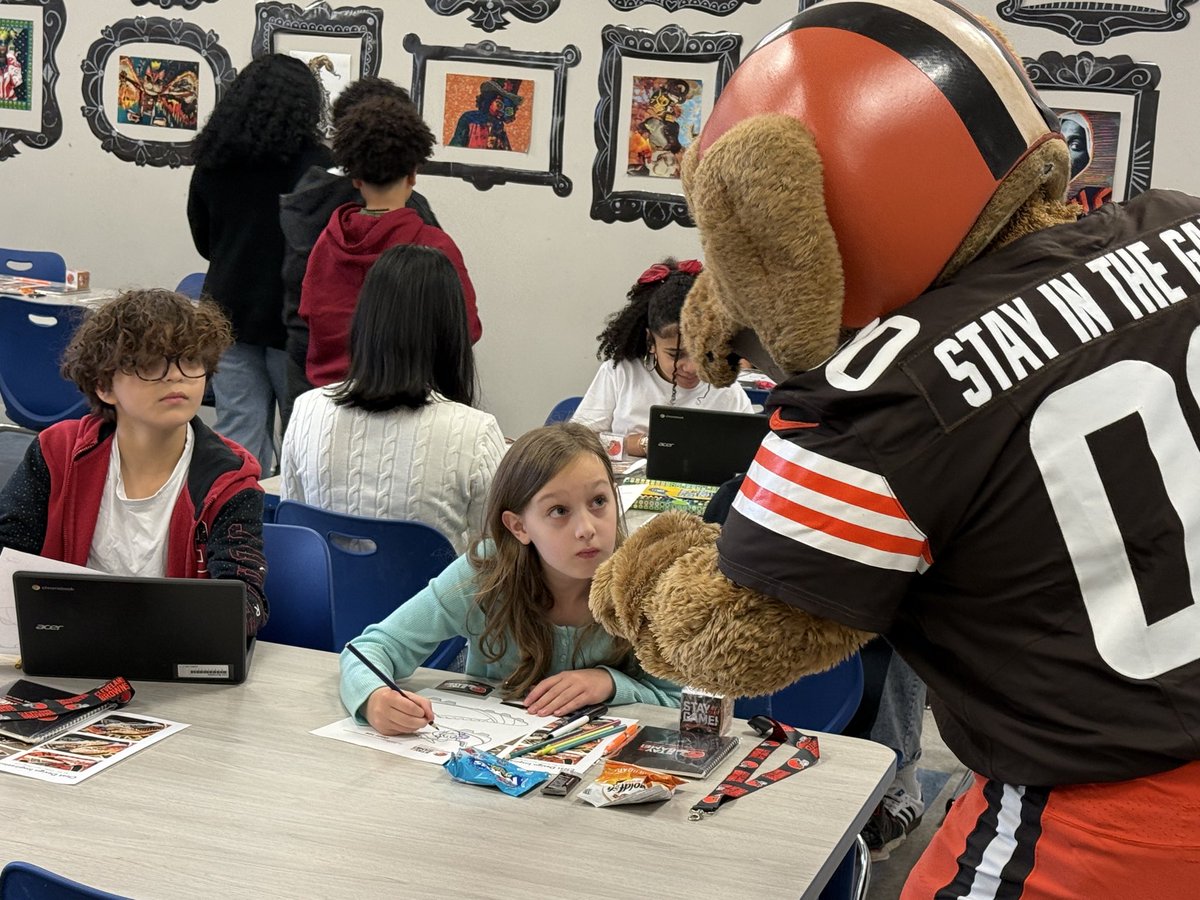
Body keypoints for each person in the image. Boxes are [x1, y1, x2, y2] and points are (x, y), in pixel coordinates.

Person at [339, 422, 681, 734]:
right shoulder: (484, 574)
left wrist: (610, 683)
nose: (587, 529)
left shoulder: (644, 584)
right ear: (518, 526)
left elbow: (685, 702)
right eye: (559, 511)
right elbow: (371, 649)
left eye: (598, 501)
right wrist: (373, 697)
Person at [0, 289, 267, 635]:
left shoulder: (230, 481)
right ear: (104, 386)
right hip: (66, 652)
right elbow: (8, 553)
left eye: (190, 360)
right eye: (150, 365)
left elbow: (246, 599)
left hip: (175, 658)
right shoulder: (58, 452)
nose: (176, 376)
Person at [281, 244, 504, 554]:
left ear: (366, 320)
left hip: (325, 603)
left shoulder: (307, 410)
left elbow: (294, 536)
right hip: (433, 603)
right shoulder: (476, 432)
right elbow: (497, 558)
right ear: (451, 332)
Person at [187, 54, 331, 473]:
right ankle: (292, 534)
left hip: (226, 315)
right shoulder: (319, 168)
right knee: (302, 440)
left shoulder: (215, 158)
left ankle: (234, 529)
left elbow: (204, 240)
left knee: (236, 434)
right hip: (295, 323)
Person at [279, 76, 442, 424]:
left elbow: (300, 291)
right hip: (390, 378)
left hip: (310, 363)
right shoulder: (414, 217)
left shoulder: (308, 193)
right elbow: (450, 312)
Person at [301, 94, 481, 388]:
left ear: (355, 179)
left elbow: (309, 314)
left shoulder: (329, 241)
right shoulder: (435, 247)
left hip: (332, 397)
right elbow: (467, 329)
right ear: (413, 174)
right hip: (411, 398)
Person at [571, 258, 752, 458]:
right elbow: (578, 440)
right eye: (675, 355)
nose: (692, 367)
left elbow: (747, 451)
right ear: (651, 342)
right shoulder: (621, 373)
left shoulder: (727, 391)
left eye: (703, 353)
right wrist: (642, 444)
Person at [449, 78, 523, 151]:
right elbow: (456, 146)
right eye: (499, 105)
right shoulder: (468, 118)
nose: (502, 111)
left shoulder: (499, 126)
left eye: (508, 110)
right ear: (489, 99)